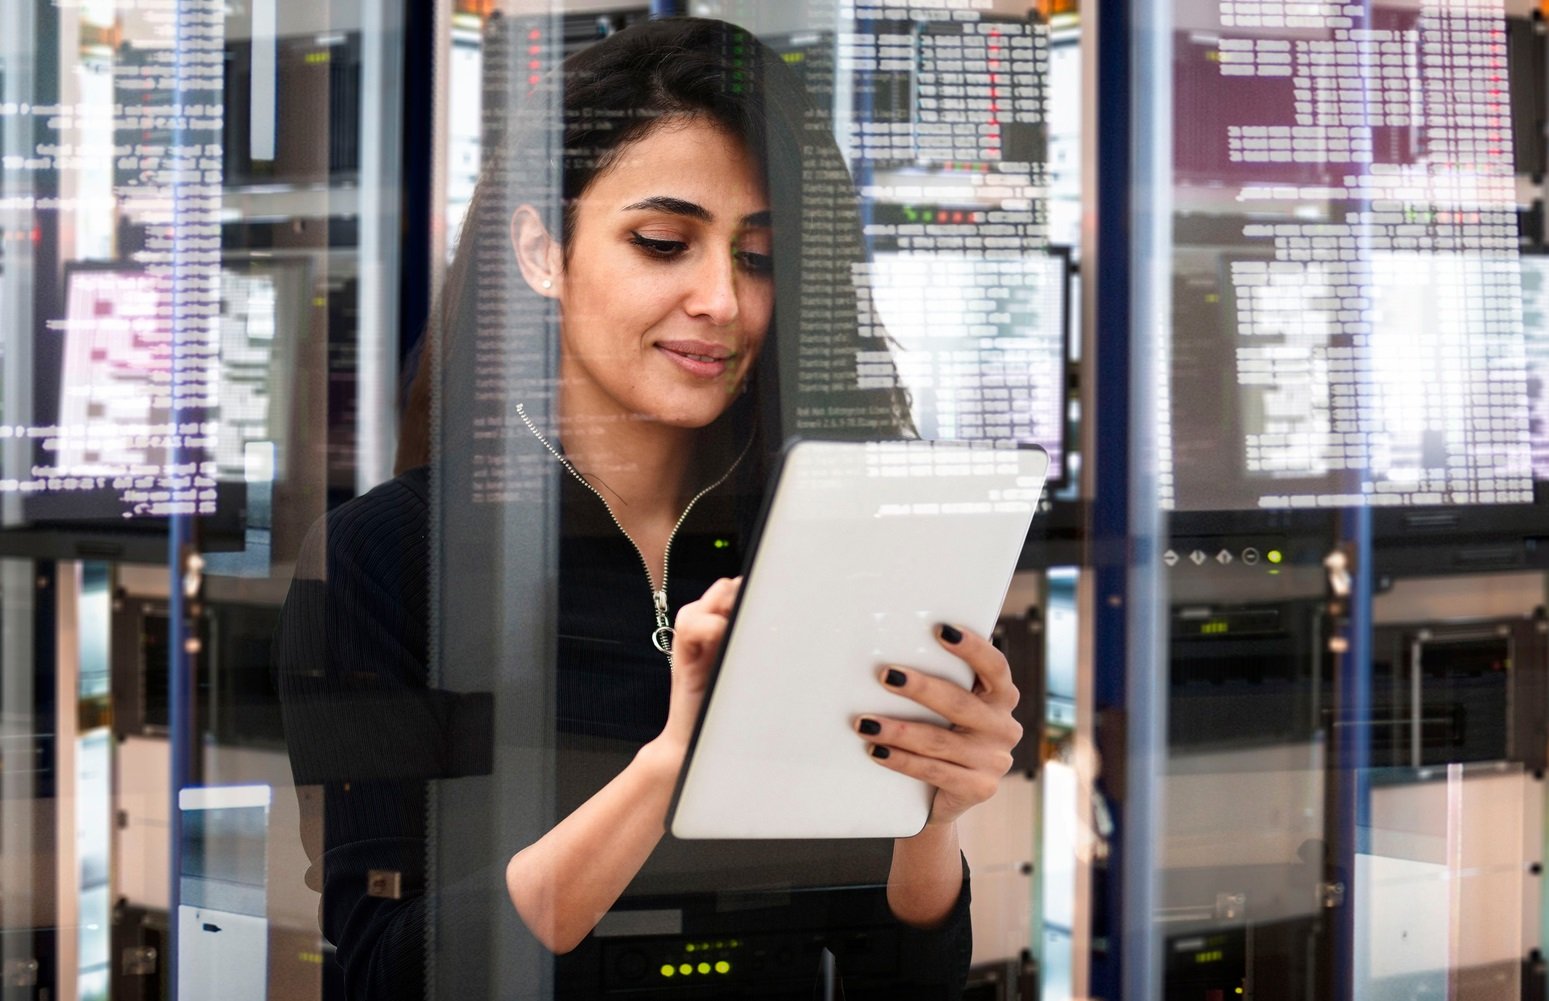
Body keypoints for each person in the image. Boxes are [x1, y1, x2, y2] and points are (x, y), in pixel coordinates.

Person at [275, 16, 1022, 999]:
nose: (719, 297)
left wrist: (932, 814)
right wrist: (670, 770)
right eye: (664, 242)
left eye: (758, 256)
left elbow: (906, 975)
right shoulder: (388, 556)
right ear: (543, 250)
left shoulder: (840, 541)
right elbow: (383, 972)